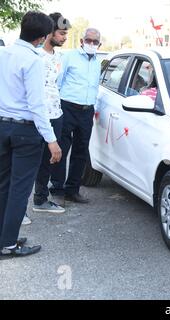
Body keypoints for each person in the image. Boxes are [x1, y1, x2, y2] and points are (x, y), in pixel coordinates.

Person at [0, 11, 62, 258]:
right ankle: (8, 244)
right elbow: (37, 105)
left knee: (3, 185)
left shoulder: (3, 53)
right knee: (19, 189)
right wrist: (52, 141)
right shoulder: (34, 60)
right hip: (26, 130)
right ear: (42, 37)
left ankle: (4, 236)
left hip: (3, 126)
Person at [50, 28, 102, 205]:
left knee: (81, 151)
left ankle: (72, 189)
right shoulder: (69, 57)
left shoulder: (97, 61)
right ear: (82, 41)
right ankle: (57, 189)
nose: (91, 44)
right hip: (68, 107)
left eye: (95, 42)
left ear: (99, 44)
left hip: (87, 111)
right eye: (89, 40)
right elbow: (58, 81)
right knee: (61, 149)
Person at [31, 12, 71, 215]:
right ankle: (17, 211)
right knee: (28, 162)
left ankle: (40, 199)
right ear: (49, 33)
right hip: (37, 116)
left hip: (56, 114)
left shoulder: (59, 57)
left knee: (50, 159)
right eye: (61, 33)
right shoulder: (35, 56)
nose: (64, 37)